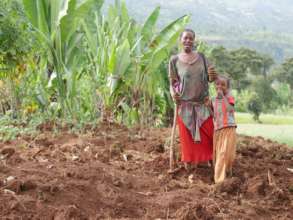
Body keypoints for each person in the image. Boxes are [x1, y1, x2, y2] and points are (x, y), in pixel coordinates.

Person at [168, 28, 217, 171]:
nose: (188, 41)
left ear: (194, 41)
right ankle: (189, 163)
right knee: (187, 138)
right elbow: (172, 83)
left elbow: (210, 78)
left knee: (208, 135)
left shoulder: (202, 57)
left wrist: (213, 76)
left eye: (191, 38)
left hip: (202, 104)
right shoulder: (174, 60)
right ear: (180, 40)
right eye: (185, 38)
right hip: (185, 106)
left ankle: (208, 160)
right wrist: (173, 94)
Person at [212, 75, 237, 183]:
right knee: (219, 154)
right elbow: (214, 115)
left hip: (228, 128)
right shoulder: (213, 100)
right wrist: (208, 106)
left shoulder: (229, 97)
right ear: (214, 86)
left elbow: (229, 109)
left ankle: (220, 181)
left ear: (228, 87)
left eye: (223, 85)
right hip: (218, 130)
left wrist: (223, 97)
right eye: (217, 84)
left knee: (226, 154)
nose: (220, 87)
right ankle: (223, 176)